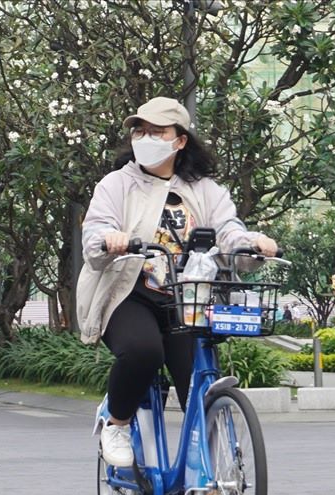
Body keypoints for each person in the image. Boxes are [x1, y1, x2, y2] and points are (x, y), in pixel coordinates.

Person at [76, 96, 279, 470]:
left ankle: (214, 489)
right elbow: (95, 235)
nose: (146, 138)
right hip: (130, 294)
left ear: (180, 140)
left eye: (158, 132)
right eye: (141, 131)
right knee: (143, 352)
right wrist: (110, 238)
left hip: (188, 300)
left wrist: (252, 243)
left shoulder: (205, 190)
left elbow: (229, 231)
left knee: (201, 389)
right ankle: (116, 423)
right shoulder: (117, 184)